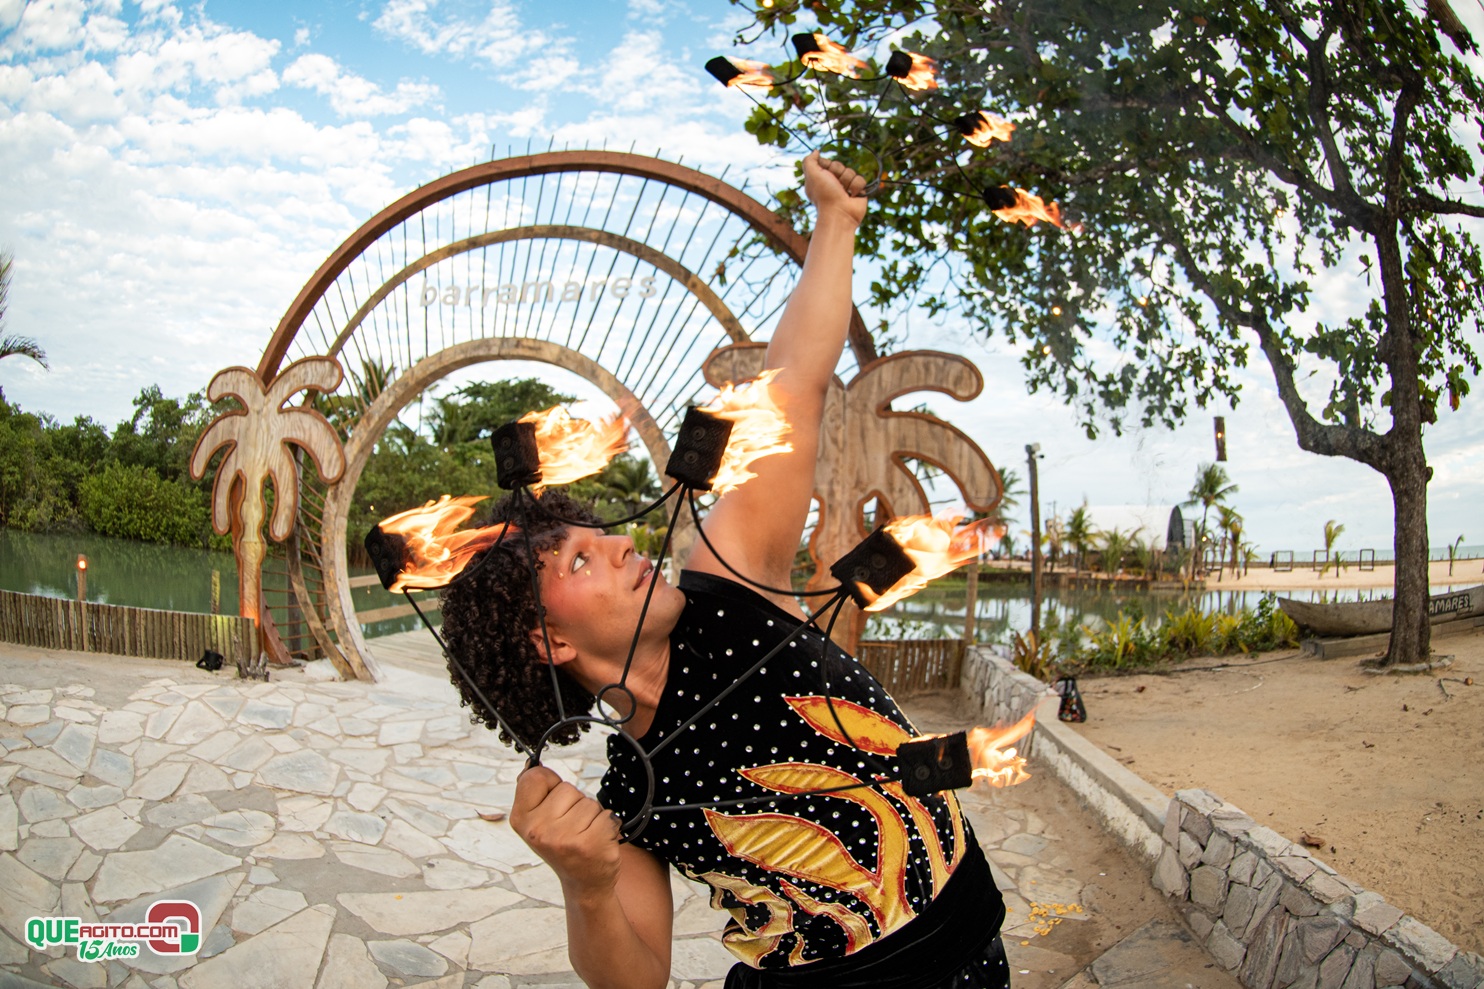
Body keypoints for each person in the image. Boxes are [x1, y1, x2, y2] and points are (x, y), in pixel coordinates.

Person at [440, 153, 1009, 989]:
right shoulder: (632, 792)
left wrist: (835, 223)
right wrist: (585, 883)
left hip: (971, 961)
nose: (622, 546)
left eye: (601, 534)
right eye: (580, 559)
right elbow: (637, 976)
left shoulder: (730, 580)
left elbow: (792, 390)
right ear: (549, 639)